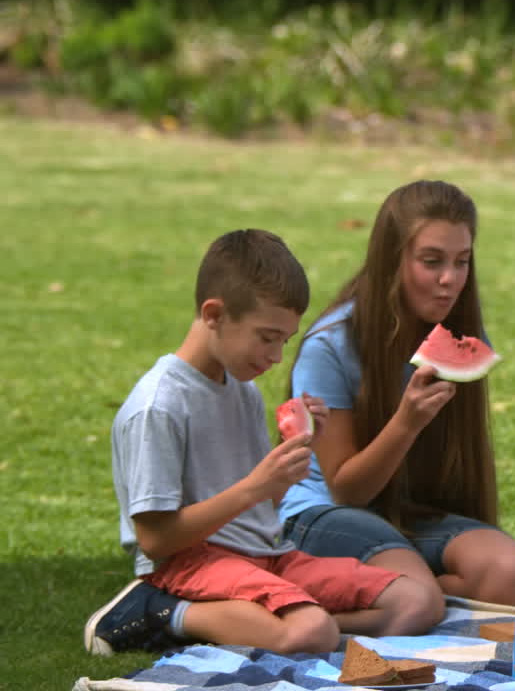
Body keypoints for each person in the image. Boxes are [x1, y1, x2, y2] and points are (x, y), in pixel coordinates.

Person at [84, 230, 434, 656]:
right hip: (187, 563)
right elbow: (156, 542)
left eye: (284, 341)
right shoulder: (159, 406)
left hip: (267, 553)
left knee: (417, 602)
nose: (275, 356)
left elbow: (261, 509)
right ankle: (155, 611)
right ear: (214, 314)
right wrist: (256, 484)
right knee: (310, 632)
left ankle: (289, 627)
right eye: (267, 337)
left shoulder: (241, 388)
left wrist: (295, 455)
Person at [277, 180, 515, 621]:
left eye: (462, 262)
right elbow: (346, 491)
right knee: (418, 592)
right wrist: (406, 422)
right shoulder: (331, 346)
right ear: (391, 260)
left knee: (511, 574)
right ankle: (320, 595)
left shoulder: (457, 336)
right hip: (323, 514)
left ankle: (389, 596)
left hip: (406, 514)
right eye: (431, 261)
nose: (449, 280)